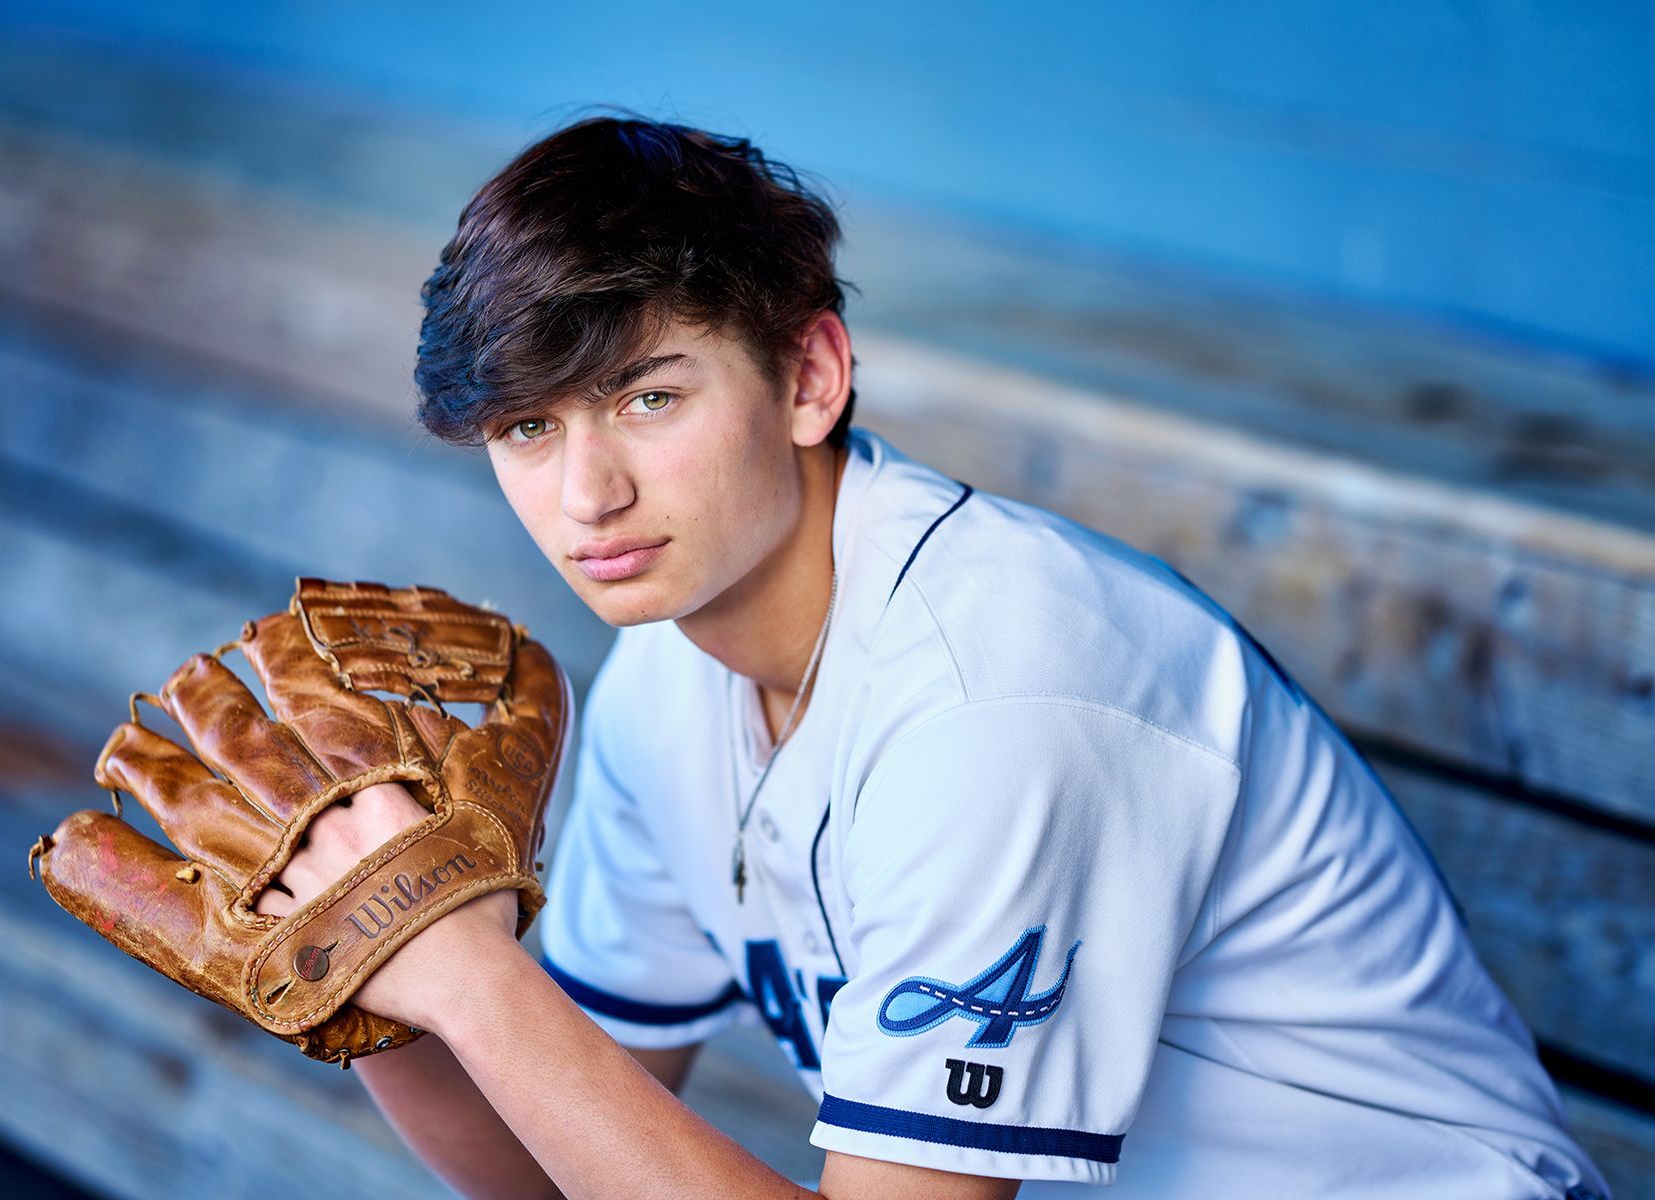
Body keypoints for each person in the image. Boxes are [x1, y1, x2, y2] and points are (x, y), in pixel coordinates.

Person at [251, 112, 1612, 1199]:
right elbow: (552, 1166)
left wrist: (477, 981)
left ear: (809, 379)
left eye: (647, 396)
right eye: (529, 432)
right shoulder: (670, 676)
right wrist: (363, 975)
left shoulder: (999, 687)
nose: (585, 494)